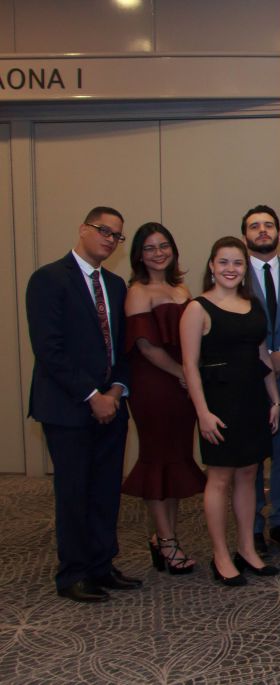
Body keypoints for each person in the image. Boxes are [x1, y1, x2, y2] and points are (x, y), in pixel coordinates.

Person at [27, 207, 140, 602]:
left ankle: (101, 565)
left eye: (117, 236)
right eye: (104, 231)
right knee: (74, 491)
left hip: (112, 405)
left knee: (106, 490)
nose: (110, 239)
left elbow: (121, 348)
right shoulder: (48, 279)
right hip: (68, 408)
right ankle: (73, 574)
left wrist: (115, 391)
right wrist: (92, 396)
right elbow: (49, 349)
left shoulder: (115, 284)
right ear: (83, 229)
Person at [180, 237, 280, 585]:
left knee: (249, 473)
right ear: (211, 266)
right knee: (219, 477)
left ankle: (246, 549)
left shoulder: (253, 305)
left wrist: (275, 399)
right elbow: (190, 367)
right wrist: (202, 413)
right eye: (223, 262)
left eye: (237, 263)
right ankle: (221, 554)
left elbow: (262, 355)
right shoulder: (197, 308)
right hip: (218, 402)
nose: (230, 269)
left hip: (253, 397)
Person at [121, 222, 204, 574]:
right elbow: (145, 346)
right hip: (154, 384)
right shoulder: (138, 291)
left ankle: (163, 536)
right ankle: (167, 542)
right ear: (139, 254)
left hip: (183, 384)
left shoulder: (180, 287)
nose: (159, 253)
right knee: (157, 460)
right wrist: (181, 373)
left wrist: (191, 375)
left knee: (177, 458)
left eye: (164, 246)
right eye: (150, 248)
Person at [241, 205, 280, 555]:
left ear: (279, 234)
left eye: (268, 226)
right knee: (252, 457)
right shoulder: (235, 273)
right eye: (255, 227)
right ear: (245, 235)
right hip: (250, 380)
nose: (262, 231)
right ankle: (252, 527)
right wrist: (267, 359)